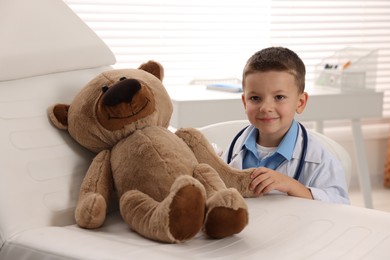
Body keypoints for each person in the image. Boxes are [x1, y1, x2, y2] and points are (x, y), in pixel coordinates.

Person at [222, 47, 350, 204]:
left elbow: (341, 205)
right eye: (255, 98)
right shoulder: (235, 147)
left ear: (300, 102)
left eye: (279, 97)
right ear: (244, 102)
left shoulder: (319, 159)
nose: (266, 107)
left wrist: (292, 186)